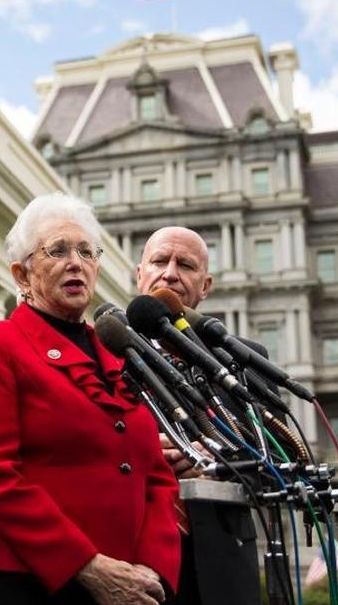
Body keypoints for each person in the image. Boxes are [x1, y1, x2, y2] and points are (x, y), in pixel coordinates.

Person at [0, 193, 181, 605]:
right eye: (57, 250)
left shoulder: (120, 355)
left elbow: (157, 476)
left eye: (86, 251)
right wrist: (86, 564)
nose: (76, 262)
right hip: (19, 582)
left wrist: (152, 566)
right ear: (22, 275)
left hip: (125, 587)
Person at [136, 226, 267, 605]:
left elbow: (278, 461)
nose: (170, 273)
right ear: (140, 274)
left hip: (220, 567)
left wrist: (215, 461)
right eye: (159, 261)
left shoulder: (241, 358)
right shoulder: (103, 354)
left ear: (205, 285)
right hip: (132, 566)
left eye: (186, 265)